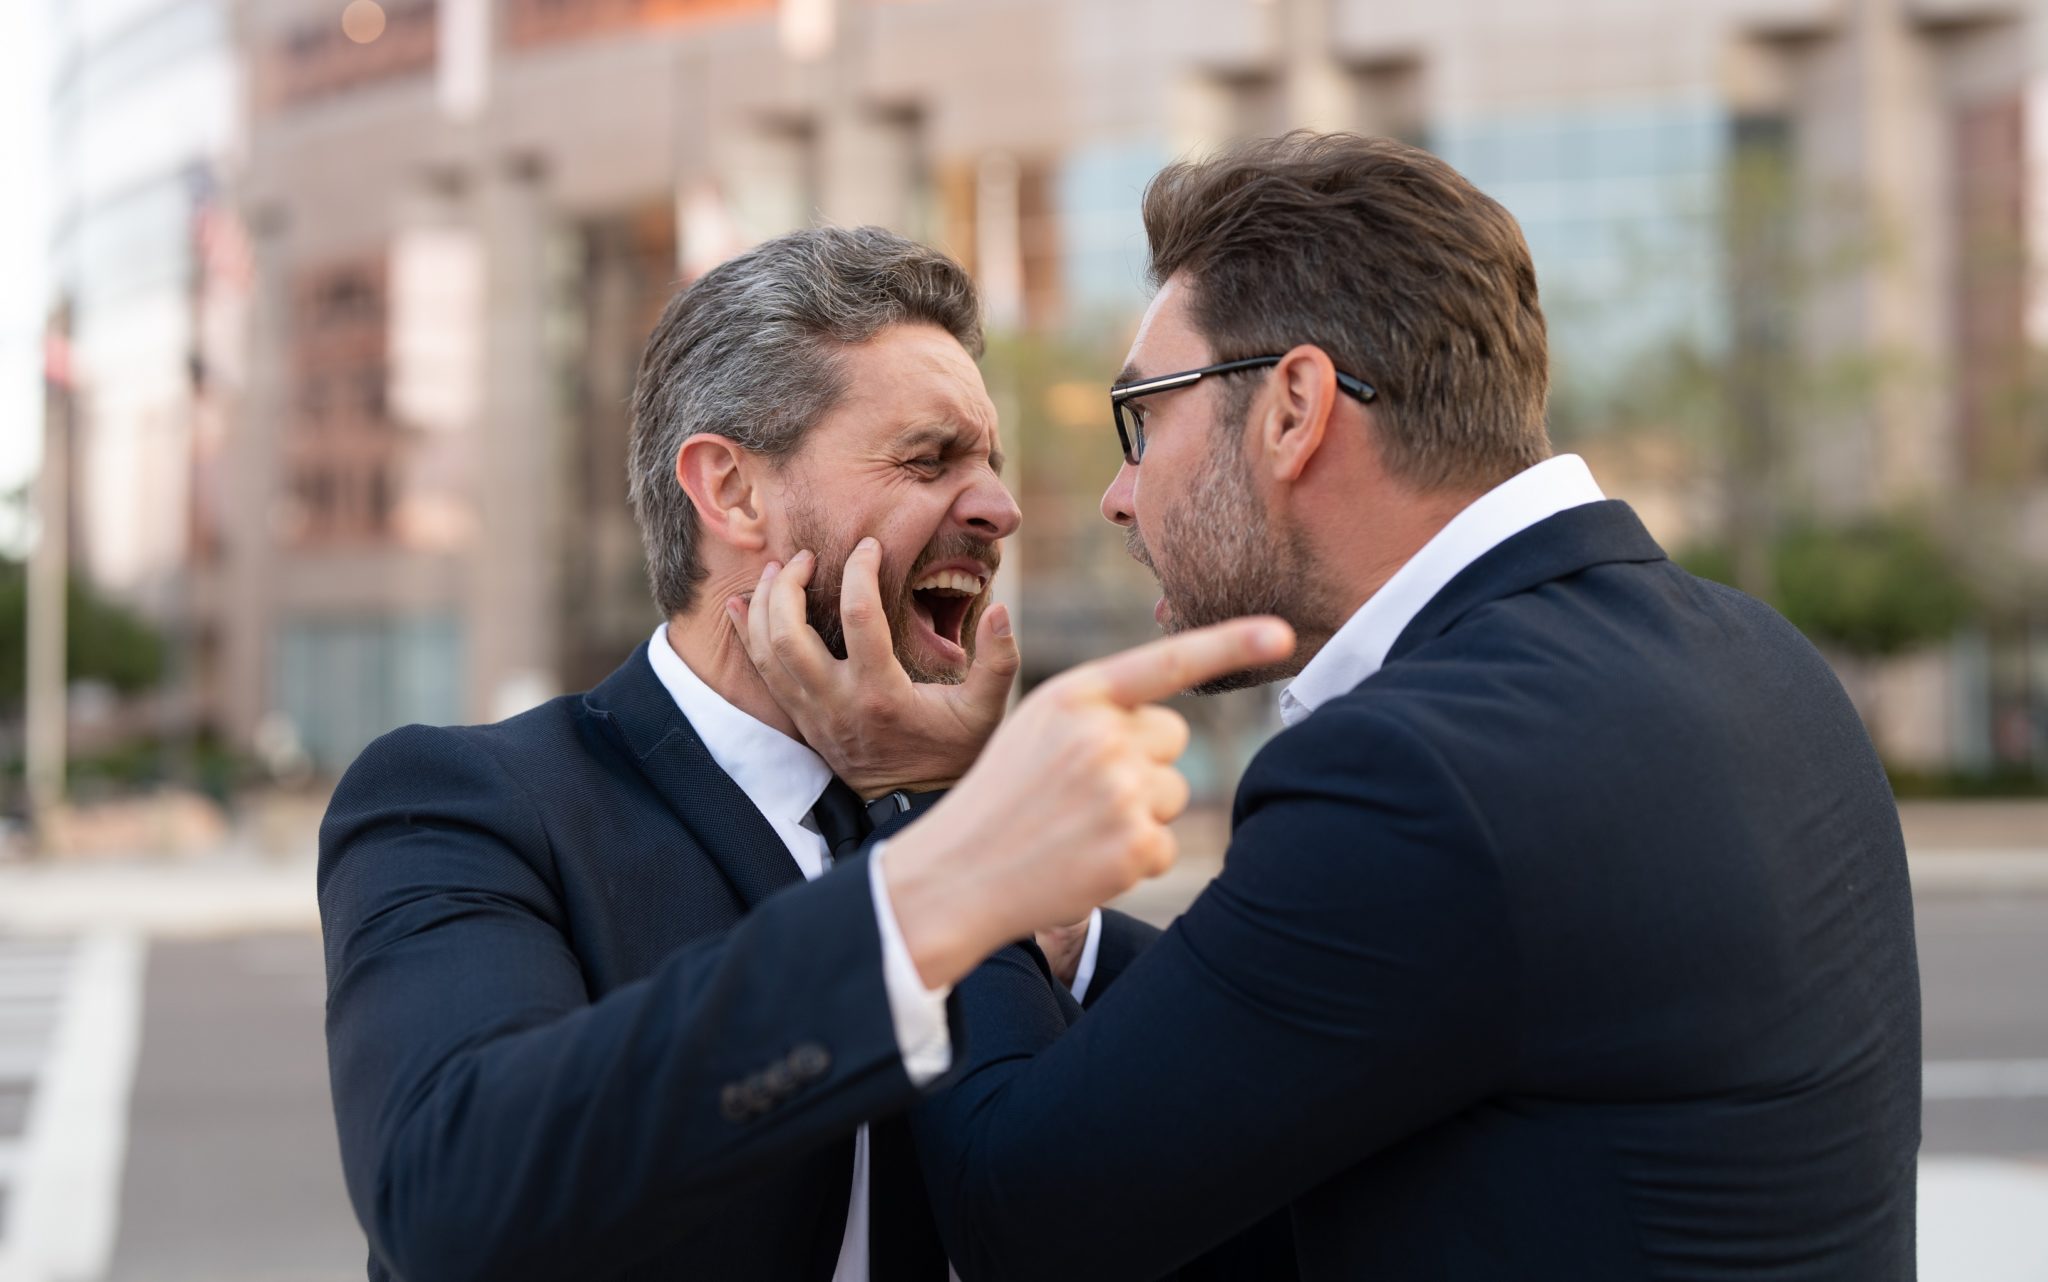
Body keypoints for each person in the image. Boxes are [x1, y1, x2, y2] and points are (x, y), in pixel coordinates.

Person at [738, 135, 1922, 1280]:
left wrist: (950, 811)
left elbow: (1021, 1217)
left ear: (1294, 407)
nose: (1115, 494)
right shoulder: (1754, 657)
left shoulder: (1413, 768)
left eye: (1142, 417)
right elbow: (1353, 999)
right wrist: (1070, 937)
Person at [316, 225, 1291, 1282]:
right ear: (730, 492)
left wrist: (1015, 884)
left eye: (991, 466)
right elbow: (452, 1192)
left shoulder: (960, 839)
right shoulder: (471, 805)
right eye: (929, 458)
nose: (999, 509)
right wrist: (937, 885)